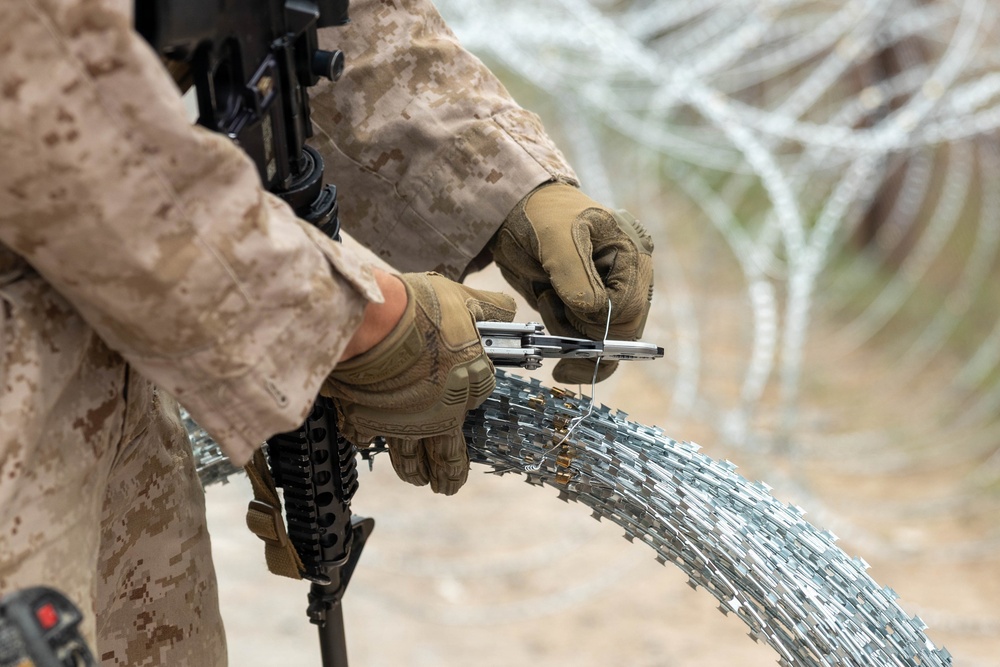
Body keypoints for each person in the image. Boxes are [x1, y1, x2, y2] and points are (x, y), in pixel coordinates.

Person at [0, 0, 654, 665]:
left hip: (88, 376)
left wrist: (500, 181)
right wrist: (347, 319)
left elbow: (290, 14)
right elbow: (34, 94)